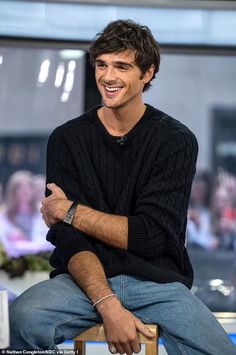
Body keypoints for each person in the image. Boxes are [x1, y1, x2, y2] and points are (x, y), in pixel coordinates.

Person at [9, 20, 235, 354]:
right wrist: (108, 305)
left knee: (220, 349)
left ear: (147, 73)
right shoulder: (67, 139)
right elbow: (67, 238)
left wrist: (69, 211)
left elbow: (150, 236)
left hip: (158, 283)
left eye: (122, 66)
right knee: (20, 320)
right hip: (84, 282)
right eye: (102, 64)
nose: (108, 77)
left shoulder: (176, 141)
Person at [0, 170, 50, 258]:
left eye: (27, 187)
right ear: (12, 191)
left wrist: (26, 240)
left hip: (40, 258)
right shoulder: (4, 214)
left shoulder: (43, 211)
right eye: (19, 187)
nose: (24, 191)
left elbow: (48, 241)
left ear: (33, 190)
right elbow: (3, 241)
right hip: (12, 259)